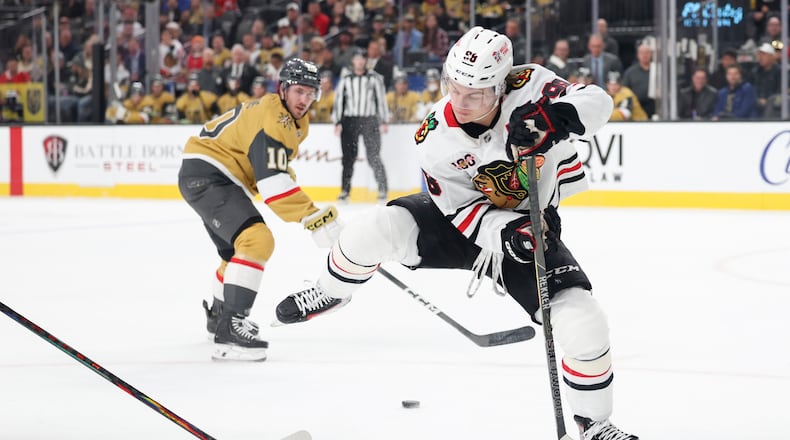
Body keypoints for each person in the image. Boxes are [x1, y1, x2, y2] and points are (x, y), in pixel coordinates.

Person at [274, 26, 638, 440]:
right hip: (466, 221)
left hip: (530, 228)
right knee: (372, 229)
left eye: (477, 94)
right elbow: (461, 211)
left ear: (502, 87)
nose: (460, 103)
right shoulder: (435, 137)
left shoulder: (532, 83)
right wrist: (504, 232)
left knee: (584, 322)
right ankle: (331, 290)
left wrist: (553, 118)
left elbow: (598, 102)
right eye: (454, 88)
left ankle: (594, 424)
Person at [178, 58, 343, 361]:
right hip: (211, 175)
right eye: (298, 92)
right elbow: (272, 184)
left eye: (311, 93)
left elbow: (273, 167)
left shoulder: (290, 119)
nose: (304, 100)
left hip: (209, 174)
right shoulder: (275, 118)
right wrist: (311, 216)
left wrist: (306, 210)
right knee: (257, 240)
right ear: (283, 88)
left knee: (235, 253)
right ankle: (231, 328)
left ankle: (219, 317)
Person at [332, 49, 389, 202]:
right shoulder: (346, 79)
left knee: (373, 156)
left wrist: (383, 120)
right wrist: (337, 121)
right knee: (348, 158)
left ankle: (382, 188)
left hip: (370, 120)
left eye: (362, 58)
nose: (360, 61)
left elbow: (380, 100)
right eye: (357, 58)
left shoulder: (374, 78)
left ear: (365, 61)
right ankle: (345, 190)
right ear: (353, 61)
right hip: (350, 120)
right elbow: (339, 101)